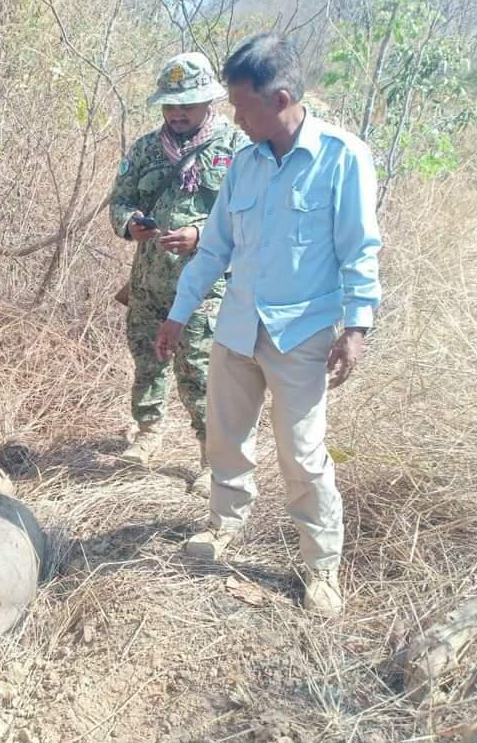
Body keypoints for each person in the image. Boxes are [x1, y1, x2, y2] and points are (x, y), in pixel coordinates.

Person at [153, 33, 381, 615]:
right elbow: (214, 250)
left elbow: (360, 250)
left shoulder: (342, 157)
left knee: (302, 455)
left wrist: (356, 328)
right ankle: (223, 527)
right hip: (236, 329)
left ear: (279, 98)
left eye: (241, 104)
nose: (234, 116)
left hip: (299, 336)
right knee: (226, 439)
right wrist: (178, 314)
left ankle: (320, 566)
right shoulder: (246, 164)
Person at [108, 53, 248, 472]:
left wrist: (202, 236)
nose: (177, 113)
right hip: (149, 284)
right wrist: (130, 223)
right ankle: (147, 432)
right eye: (171, 105)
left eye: (186, 104)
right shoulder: (148, 148)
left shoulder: (237, 148)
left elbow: (250, 215)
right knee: (147, 361)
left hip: (207, 288)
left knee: (201, 370)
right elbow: (120, 199)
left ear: (209, 102)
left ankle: (212, 458)